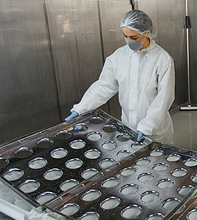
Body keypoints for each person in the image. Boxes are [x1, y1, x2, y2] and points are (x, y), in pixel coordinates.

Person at [64, 10, 175, 144]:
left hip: (156, 130)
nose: (129, 41)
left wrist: (148, 125)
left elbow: (164, 98)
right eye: (125, 36)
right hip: (127, 126)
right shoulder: (118, 56)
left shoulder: (162, 59)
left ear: (147, 33)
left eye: (133, 37)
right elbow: (104, 86)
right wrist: (81, 108)